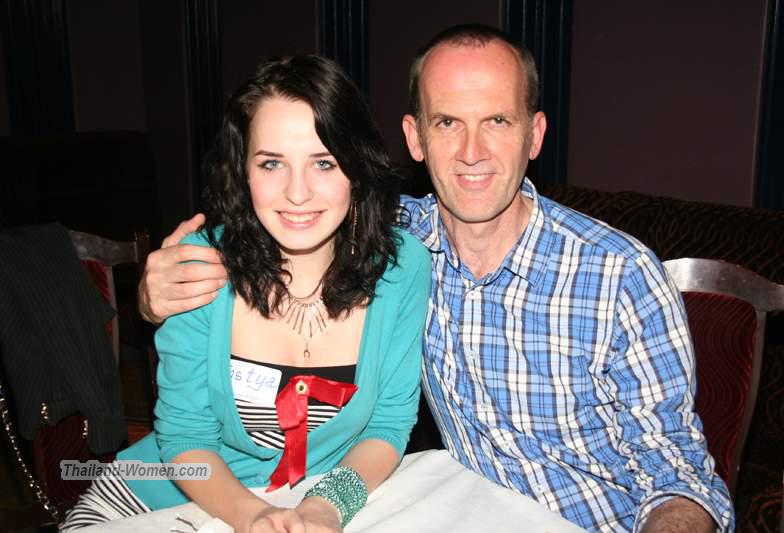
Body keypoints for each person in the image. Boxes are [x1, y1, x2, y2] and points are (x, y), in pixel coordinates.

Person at [137, 25, 734, 532]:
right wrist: (151, 294)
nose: (472, 151)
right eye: (447, 122)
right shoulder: (393, 246)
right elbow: (300, 213)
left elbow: (679, 475)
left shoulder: (619, 273)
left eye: (497, 120)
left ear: (535, 135)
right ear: (414, 138)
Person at [61, 54, 430, 533]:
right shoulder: (199, 265)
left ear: (357, 169)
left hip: (317, 497)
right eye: (272, 163)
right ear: (244, 171)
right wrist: (254, 516)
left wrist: (325, 506)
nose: (297, 193)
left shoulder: (401, 268)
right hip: (167, 492)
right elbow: (186, 436)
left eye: (323, 163)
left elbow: (387, 424)